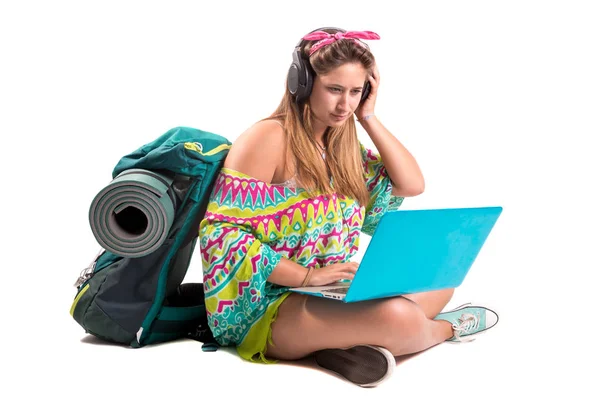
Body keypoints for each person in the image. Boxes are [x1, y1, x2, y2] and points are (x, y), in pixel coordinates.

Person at [198, 27, 499, 387]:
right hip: (269, 305)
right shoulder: (268, 138)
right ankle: (447, 329)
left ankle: (337, 348)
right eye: (335, 90)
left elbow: (411, 185)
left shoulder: (342, 148)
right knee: (400, 316)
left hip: (327, 290)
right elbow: (221, 233)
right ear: (302, 83)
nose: (345, 105)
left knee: (440, 286)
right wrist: (305, 277)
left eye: (356, 92)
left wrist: (368, 117)